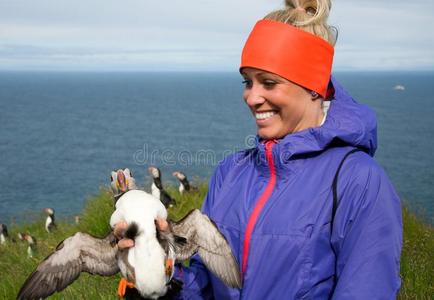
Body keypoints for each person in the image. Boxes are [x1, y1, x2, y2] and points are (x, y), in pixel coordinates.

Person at [116, 0, 403, 299]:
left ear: (313, 87)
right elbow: (203, 286)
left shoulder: (359, 182)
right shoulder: (230, 173)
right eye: (247, 82)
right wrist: (156, 273)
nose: (252, 97)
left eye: (268, 82)